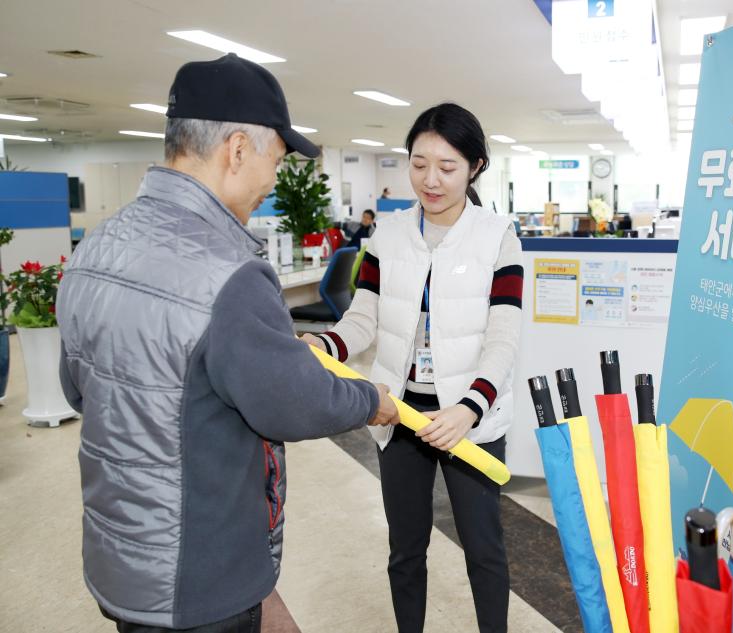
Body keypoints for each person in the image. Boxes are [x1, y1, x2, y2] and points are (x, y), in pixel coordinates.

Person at [56, 53, 399, 632]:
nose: (275, 180)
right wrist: (372, 401)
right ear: (238, 150)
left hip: (122, 557)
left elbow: (78, 387)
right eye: (278, 159)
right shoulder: (228, 271)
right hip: (197, 574)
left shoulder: (98, 247)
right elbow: (287, 401)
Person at [304, 102, 523, 633]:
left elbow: (503, 337)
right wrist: (326, 345)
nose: (431, 179)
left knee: (483, 549)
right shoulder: (389, 235)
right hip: (398, 413)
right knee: (406, 547)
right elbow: (363, 316)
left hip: (469, 418)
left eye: (447, 167)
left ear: (474, 167)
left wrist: (470, 409)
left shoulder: (498, 235)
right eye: (419, 163)